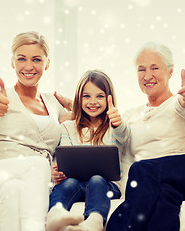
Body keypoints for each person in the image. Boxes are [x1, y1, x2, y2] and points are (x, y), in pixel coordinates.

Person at [105, 42, 185, 231]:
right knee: (163, 199)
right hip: (164, 181)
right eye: (141, 69)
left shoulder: (179, 101)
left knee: (143, 169)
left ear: (170, 72)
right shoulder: (131, 115)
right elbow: (122, 150)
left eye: (155, 68)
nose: (147, 76)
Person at [0, 31, 70, 231]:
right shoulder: (0, 92)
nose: (29, 66)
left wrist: (72, 104)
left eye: (36, 59)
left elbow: (86, 117)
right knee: (40, 165)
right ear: (12, 62)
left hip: (20, 183)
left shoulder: (53, 103)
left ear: (47, 63)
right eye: (21, 59)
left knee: (14, 191)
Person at [46, 70, 130, 231]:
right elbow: (65, 158)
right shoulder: (67, 127)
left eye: (99, 96)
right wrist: (58, 173)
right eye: (86, 96)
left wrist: (118, 122)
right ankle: (54, 216)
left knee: (97, 179)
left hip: (107, 185)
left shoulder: (115, 126)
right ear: (78, 99)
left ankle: (95, 221)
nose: (93, 102)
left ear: (109, 98)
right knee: (68, 182)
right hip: (75, 183)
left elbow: (125, 135)